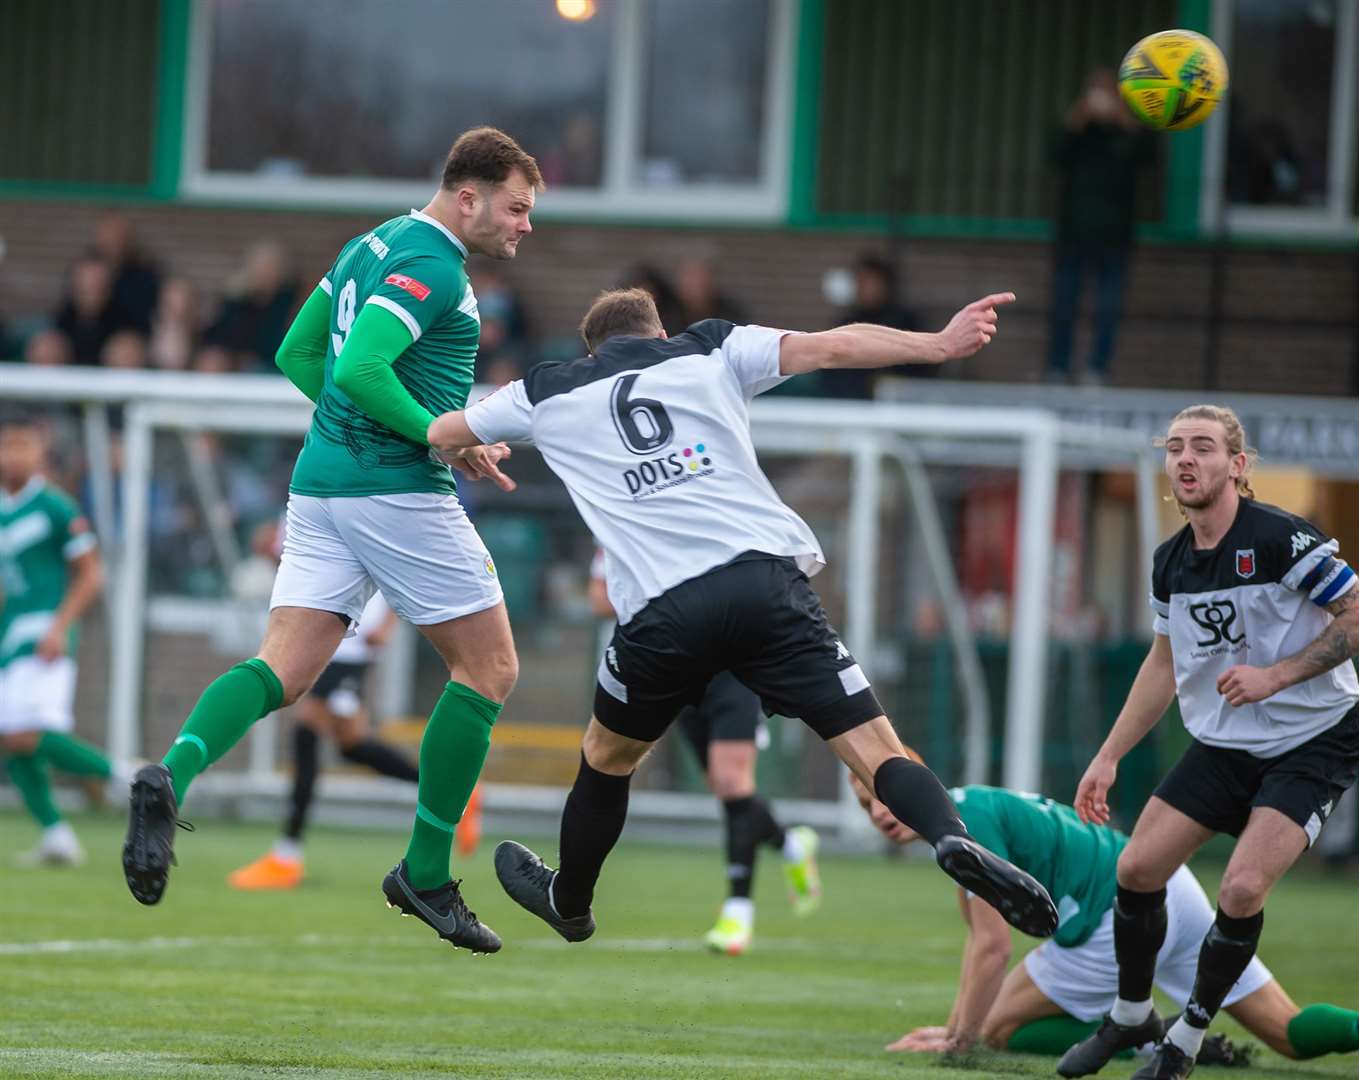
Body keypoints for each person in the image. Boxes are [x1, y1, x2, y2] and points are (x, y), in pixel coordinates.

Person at [424, 285, 1062, 946]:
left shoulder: (546, 389)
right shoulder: (708, 346)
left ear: (593, 349)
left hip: (661, 611)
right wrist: (936, 343)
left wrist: (463, 448)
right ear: (656, 330)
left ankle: (571, 898)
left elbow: (442, 430)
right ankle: (950, 838)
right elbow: (835, 345)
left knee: (607, 757)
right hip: (763, 583)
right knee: (875, 748)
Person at [121, 127, 543, 957]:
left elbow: (297, 350)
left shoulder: (369, 243)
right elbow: (356, 370)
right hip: (394, 491)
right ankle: (426, 873)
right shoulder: (433, 264)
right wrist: (434, 434)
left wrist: (387, 430)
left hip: (319, 487)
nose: (525, 226)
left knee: (283, 669)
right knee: (489, 669)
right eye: (518, 208)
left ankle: (170, 773)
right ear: (469, 198)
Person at [1061, 404, 1359, 1079]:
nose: (1186, 459)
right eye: (1174, 448)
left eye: (1202, 446)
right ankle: (1130, 1013)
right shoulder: (1170, 562)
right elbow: (1163, 664)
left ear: (1237, 465)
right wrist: (1107, 757)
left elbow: (1355, 613)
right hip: (1226, 744)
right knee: (1135, 870)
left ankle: (1186, 1040)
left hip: (1312, 740)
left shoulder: (1282, 540)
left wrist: (1276, 676)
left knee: (1241, 887)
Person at [850, 774, 1359, 1067]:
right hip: (1168, 888)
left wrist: (961, 1039)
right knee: (1289, 1034)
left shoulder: (968, 824)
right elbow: (977, 941)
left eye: (884, 792)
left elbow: (992, 948)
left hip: (1113, 917)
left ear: (917, 776)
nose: (877, 810)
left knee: (998, 1030)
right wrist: (955, 1024)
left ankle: (1149, 1041)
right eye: (865, 803)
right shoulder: (968, 809)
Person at [587, 551, 819, 955]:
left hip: (733, 666)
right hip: (674, 661)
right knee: (725, 787)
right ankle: (791, 845)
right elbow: (599, 599)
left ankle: (738, 910)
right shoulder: (616, 522)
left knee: (732, 782)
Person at [228, 591, 420, 890]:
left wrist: (387, 624)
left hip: (351, 648)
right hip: (330, 645)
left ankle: (286, 857)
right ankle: (446, 791)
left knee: (306, 733)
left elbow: (399, 570)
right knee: (352, 745)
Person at [0, 413, 121, 866]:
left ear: (39, 454)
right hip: (11, 636)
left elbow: (91, 575)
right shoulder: (3, 510)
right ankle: (57, 836)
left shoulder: (55, 507)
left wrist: (59, 626)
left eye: (22, 446)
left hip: (43, 634)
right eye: (7, 445)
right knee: (13, 737)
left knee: (26, 734)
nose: (13, 456)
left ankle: (126, 777)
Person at [1045, 70, 1156, 386]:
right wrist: (1077, 118)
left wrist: (1123, 118)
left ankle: (1097, 369)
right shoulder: (1080, 131)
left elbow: (1148, 157)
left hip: (1114, 237)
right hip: (1073, 234)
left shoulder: (1127, 132)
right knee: (1065, 304)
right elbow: (1055, 154)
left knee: (1108, 308)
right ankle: (1058, 366)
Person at [825, 253, 929, 398]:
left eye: (868, 281)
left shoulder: (906, 322)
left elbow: (920, 370)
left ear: (884, 284)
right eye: (859, 281)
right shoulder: (846, 322)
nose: (862, 287)